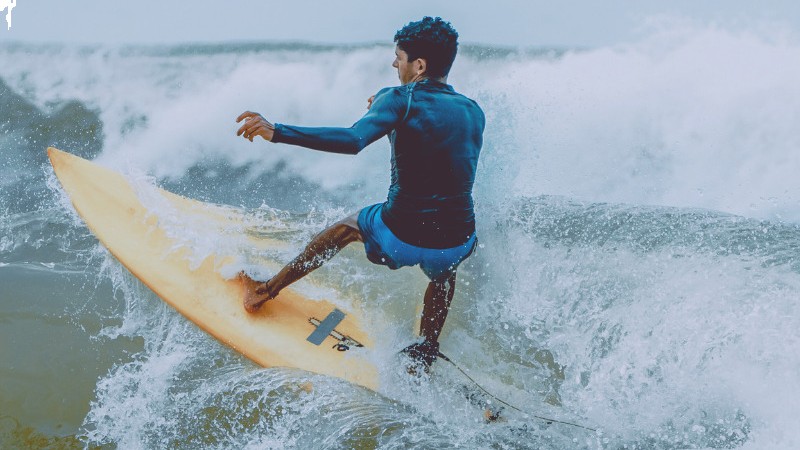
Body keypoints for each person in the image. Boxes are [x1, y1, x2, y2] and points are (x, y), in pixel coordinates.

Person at [235, 16, 485, 373]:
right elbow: (437, 151)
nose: (394, 64)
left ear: (419, 65)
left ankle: (263, 291)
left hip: (401, 236)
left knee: (348, 227)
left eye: (398, 57)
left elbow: (354, 140)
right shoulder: (474, 111)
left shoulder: (398, 99)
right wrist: (388, 111)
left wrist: (278, 131)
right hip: (455, 243)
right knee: (445, 265)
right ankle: (426, 348)